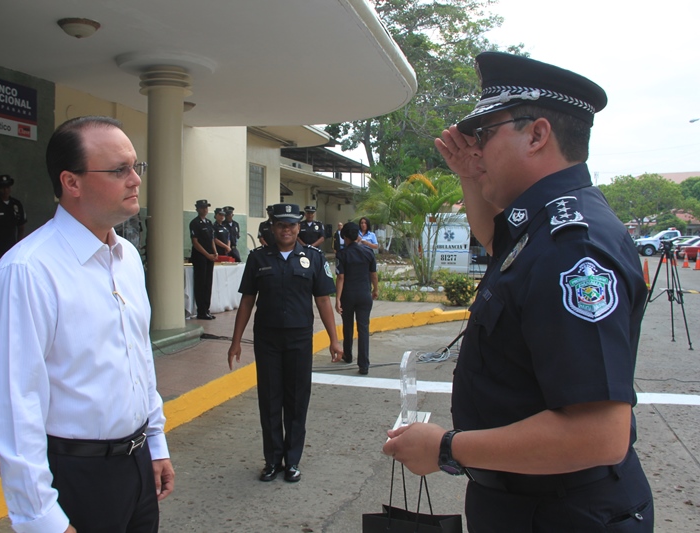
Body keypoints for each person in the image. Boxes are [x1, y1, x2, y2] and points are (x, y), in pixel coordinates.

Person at [383, 52, 653, 532]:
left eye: (485, 134)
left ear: (536, 135)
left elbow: (598, 435)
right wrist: (471, 176)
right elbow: (498, 245)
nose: (476, 149)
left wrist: (445, 448)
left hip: (564, 513)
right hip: (529, 503)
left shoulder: (573, 245)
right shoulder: (544, 223)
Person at [0, 116, 174, 533]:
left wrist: (155, 443)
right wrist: (42, 519)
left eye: (135, 166)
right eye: (119, 170)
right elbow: (14, 406)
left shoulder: (127, 259)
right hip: (77, 477)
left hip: (137, 466)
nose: (135, 180)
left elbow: (138, 358)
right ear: (71, 182)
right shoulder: (27, 272)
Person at [227, 203, 343, 483]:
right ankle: (271, 461)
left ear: (298, 227)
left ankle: (292, 461)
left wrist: (334, 340)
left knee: (297, 400)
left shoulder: (313, 257)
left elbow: (323, 300)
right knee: (269, 400)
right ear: (272, 227)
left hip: (299, 339)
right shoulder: (258, 258)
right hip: (267, 339)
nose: (286, 230)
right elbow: (247, 301)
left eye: (291, 225)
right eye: (281, 225)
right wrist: (235, 341)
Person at [335, 222, 378, 375]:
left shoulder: (342, 254)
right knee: (363, 329)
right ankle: (364, 365)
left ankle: (347, 355)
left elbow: (340, 277)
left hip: (348, 295)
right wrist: (375, 290)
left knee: (347, 326)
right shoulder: (368, 252)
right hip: (364, 294)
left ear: (345, 237)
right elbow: (373, 274)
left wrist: (337, 299)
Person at [189, 199, 218, 319]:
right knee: (201, 283)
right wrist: (207, 255)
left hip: (210, 256)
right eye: (202, 208)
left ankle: (206, 308)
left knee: (208, 283)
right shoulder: (195, 223)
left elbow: (212, 239)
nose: (205, 210)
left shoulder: (209, 223)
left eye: (206, 207)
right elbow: (195, 242)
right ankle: (201, 311)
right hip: (200, 256)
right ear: (197, 209)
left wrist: (215, 252)